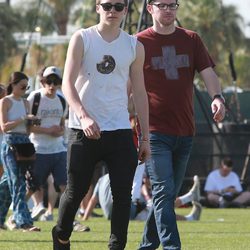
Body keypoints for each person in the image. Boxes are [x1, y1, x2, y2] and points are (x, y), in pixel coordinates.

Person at [52, 0, 151, 249]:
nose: (112, 11)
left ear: (126, 11)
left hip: (119, 130)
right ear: (97, 7)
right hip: (82, 129)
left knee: (122, 196)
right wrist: (84, 116)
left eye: (119, 6)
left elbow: (140, 93)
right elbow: (67, 84)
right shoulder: (82, 38)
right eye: (107, 5)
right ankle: (61, 235)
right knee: (75, 192)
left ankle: (116, 246)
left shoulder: (134, 46)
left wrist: (145, 138)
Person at [136, 0, 226, 249]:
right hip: (153, 131)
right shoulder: (137, 42)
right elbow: (125, 83)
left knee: (167, 195)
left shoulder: (191, 39)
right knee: (164, 190)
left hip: (185, 131)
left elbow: (208, 73)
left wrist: (217, 98)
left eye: (172, 5)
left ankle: (146, 246)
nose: (168, 9)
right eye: (161, 5)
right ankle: (172, 246)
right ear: (150, 8)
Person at [0, 72, 40, 232]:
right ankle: (23, 221)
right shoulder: (5, 101)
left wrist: (32, 122)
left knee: (7, 184)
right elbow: (4, 127)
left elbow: (28, 130)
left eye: (27, 87)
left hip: (24, 143)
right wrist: (23, 118)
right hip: (10, 144)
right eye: (22, 86)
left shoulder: (25, 103)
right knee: (18, 183)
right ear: (13, 85)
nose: (25, 90)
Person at [27, 66, 68, 222]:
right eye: (48, 81)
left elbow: (62, 124)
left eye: (55, 81)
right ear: (42, 82)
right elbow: (28, 127)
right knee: (32, 185)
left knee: (63, 185)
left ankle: (68, 218)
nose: (52, 85)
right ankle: (20, 214)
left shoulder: (62, 99)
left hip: (58, 149)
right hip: (37, 148)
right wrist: (48, 130)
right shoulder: (34, 98)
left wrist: (59, 131)